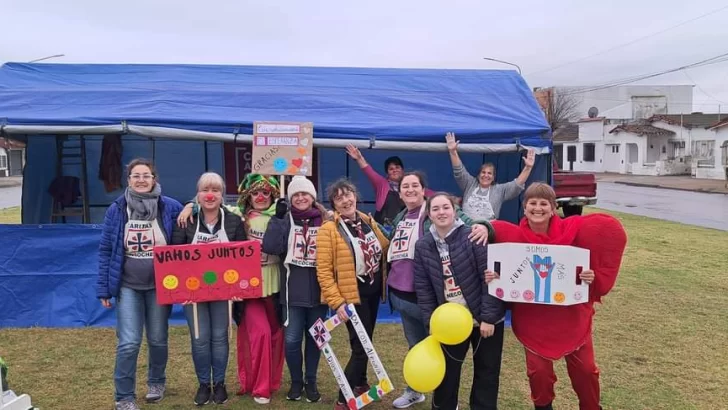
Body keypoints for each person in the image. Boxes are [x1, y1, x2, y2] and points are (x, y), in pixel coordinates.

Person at [485, 182, 627, 410]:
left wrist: (592, 276)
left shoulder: (574, 230)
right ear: (524, 207)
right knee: (538, 374)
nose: (538, 208)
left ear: (553, 209)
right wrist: (496, 276)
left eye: (544, 204)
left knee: (586, 371)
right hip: (534, 320)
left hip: (571, 318)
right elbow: (485, 231)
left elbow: (605, 233)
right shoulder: (513, 237)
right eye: (533, 203)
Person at [385, 172, 493, 409]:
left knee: (445, 357)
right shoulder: (400, 216)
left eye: (415, 185)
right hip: (404, 295)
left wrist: (485, 226)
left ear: (424, 190)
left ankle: (443, 400)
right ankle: (415, 390)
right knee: (418, 348)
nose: (410, 189)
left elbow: (468, 223)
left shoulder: (435, 211)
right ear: (399, 192)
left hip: (437, 301)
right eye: (405, 186)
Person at [96, 158, 183, 410]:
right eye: (136, 175)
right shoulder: (117, 209)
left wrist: (191, 206)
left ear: (154, 179)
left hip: (159, 285)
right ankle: (124, 396)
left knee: (157, 339)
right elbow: (105, 250)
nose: (142, 180)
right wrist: (104, 287)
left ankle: (156, 382)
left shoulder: (170, 207)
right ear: (129, 179)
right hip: (128, 285)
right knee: (129, 341)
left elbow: (196, 214)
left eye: (146, 175)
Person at [413, 193, 505, 410]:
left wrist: (489, 318)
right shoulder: (423, 246)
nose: (441, 212)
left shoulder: (473, 235)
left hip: (484, 320)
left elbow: (489, 278)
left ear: (455, 211)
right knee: (447, 374)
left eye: (446, 207)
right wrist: (431, 325)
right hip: (449, 324)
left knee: (487, 373)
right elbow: (424, 290)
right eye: (435, 209)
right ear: (429, 214)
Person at [171, 172, 246, 406]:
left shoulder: (233, 221)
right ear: (198, 195)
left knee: (220, 337)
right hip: (194, 293)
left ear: (222, 195)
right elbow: (174, 255)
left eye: (215, 190)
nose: (210, 195)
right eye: (205, 190)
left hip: (224, 292)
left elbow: (242, 256)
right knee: (200, 338)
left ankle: (220, 383)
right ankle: (204, 383)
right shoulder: (187, 220)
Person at [316, 178, 390, 410]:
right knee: (361, 348)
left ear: (355, 196)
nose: (346, 200)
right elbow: (324, 272)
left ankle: (360, 383)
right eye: (339, 198)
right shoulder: (328, 230)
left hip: (373, 291)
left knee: (366, 340)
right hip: (351, 296)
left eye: (348, 194)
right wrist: (337, 302)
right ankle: (343, 398)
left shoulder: (368, 221)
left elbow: (386, 246)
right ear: (334, 205)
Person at [262, 176, 331, 403]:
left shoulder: (325, 220)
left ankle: (311, 381)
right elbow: (271, 246)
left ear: (312, 197)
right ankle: (296, 381)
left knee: (315, 339)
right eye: (296, 195)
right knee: (291, 341)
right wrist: (278, 218)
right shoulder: (285, 219)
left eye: (305, 194)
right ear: (291, 198)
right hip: (291, 294)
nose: (301, 198)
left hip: (319, 294)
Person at [445, 132, 536, 221]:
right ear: (478, 175)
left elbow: (517, 184)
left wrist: (528, 167)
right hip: (465, 227)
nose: (486, 175)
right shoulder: (469, 184)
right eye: (483, 172)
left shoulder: (499, 190)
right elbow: (459, 171)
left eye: (489, 173)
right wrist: (452, 151)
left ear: (493, 177)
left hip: (487, 230)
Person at [345, 145, 435, 229]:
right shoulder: (382, 184)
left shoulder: (414, 186)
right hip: (383, 228)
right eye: (391, 169)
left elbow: (437, 196)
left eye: (397, 167)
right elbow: (368, 170)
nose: (394, 170)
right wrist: (359, 158)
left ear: (402, 170)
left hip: (408, 227)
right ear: (387, 173)